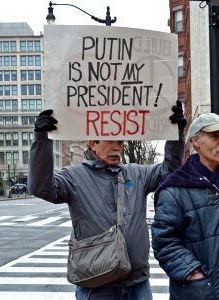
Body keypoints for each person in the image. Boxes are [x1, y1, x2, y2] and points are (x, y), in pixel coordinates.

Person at [27, 101, 186, 300]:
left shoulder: (136, 174)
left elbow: (170, 172)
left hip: (137, 283)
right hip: (96, 285)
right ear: (92, 143)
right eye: (109, 141)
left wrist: (176, 135)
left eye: (119, 142)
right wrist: (42, 139)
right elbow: (40, 187)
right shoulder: (73, 177)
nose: (116, 147)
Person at [152, 113, 219, 300]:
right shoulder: (175, 190)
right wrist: (194, 274)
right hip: (197, 293)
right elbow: (164, 242)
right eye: (215, 136)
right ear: (196, 141)